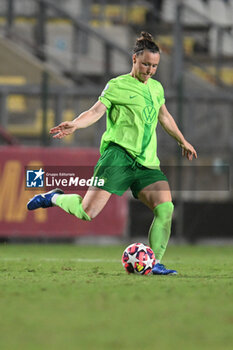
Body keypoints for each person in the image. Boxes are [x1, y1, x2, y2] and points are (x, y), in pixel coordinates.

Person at [27, 32, 197, 275]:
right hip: (117, 157)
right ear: (134, 60)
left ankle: (154, 263)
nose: (150, 70)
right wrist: (76, 123)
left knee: (165, 208)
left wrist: (182, 140)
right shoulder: (117, 85)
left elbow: (164, 116)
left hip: (146, 163)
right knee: (88, 212)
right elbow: (95, 111)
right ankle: (53, 197)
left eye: (155, 66)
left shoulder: (157, 88)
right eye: (146, 64)